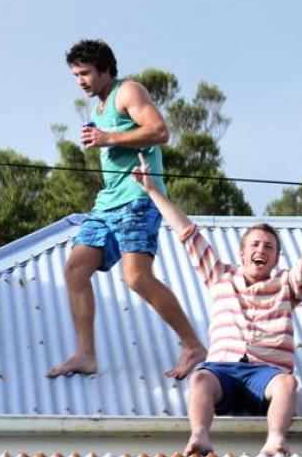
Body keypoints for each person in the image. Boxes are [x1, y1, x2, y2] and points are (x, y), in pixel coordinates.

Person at [133, 153, 302, 456]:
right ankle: (200, 436)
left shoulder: (288, 285)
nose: (261, 250)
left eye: (269, 247)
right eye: (255, 244)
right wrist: (153, 190)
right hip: (222, 369)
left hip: (266, 373)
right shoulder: (219, 275)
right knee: (199, 378)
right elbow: (186, 232)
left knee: (287, 385)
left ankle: (275, 440)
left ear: (276, 258)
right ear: (242, 252)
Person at [48, 39, 207, 379]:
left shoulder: (128, 91)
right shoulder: (100, 107)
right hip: (108, 202)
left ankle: (193, 344)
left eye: (85, 73)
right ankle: (86, 355)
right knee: (75, 269)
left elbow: (160, 131)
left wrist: (108, 139)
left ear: (105, 69)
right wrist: (102, 136)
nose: (80, 81)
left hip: (138, 198)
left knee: (136, 276)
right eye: (76, 75)